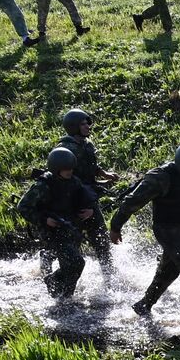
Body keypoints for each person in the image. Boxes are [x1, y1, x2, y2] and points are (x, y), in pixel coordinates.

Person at [109, 142, 180, 326]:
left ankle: (144, 305)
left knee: (170, 270)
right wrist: (116, 226)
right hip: (166, 229)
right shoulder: (161, 177)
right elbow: (132, 202)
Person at [17, 147, 97, 298]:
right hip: (52, 232)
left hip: (71, 229)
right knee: (77, 263)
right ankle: (60, 290)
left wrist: (90, 210)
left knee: (69, 265)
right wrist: (44, 219)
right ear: (56, 169)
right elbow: (23, 207)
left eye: (71, 168)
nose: (69, 171)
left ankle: (63, 293)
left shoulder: (75, 182)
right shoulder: (43, 185)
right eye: (65, 169)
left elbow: (86, 199)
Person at [56, 109, 119, 272]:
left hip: (89, 199)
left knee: (102, 240)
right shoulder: (65, 148)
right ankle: (58, 271)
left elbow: (91, 165)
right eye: (83, 124)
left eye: (87, 123)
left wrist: (105, 174)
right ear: (73, 127)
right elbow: (63, 179)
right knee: (72, 243)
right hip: (73, 203)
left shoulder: (87, 144)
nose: (88, 127)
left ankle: (109, 276)